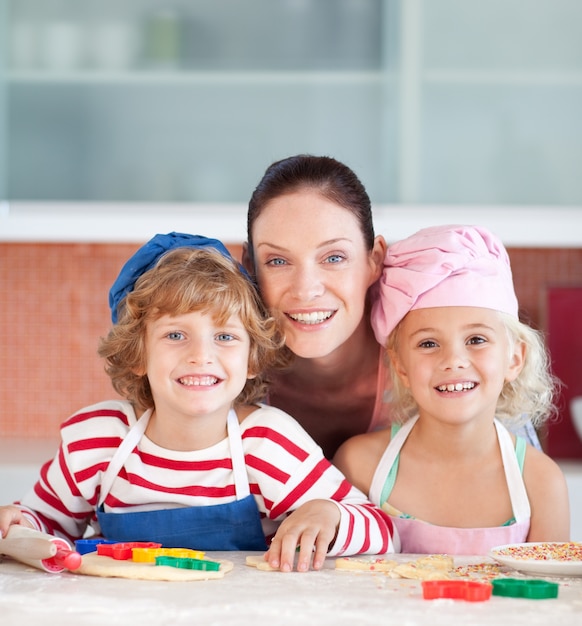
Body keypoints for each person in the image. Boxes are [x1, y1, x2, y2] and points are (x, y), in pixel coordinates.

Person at [0, 233, 398, 572]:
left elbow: (382, 531)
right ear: (137, 354)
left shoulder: (264, 443)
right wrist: (14, 525)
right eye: (175, 335)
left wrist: (329, 514)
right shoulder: (98, 441)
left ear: (252, 358)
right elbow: (44, 527)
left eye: (225, 337)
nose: (201, 356)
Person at [243, 154, 541, 458]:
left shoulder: (437, 359)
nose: (306, 290)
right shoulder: (227, 369)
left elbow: (519, 483)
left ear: (374, 260)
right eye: (277, 261)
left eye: (334, 258)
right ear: (250, 265)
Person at [333, 224, 570, 554]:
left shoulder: (541, 482)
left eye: (476, 340)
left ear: (514, 358)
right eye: (428, 343)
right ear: (400, 366)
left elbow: (548, 599)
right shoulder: (360, 465)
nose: (454, 360)